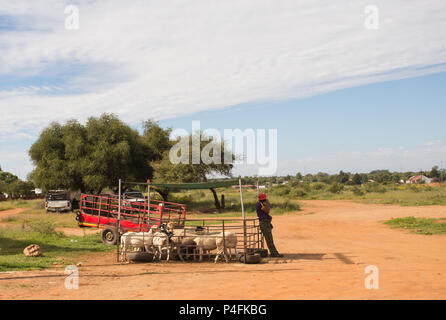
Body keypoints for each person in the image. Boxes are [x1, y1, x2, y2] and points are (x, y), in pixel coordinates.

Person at [256, 193, 283, 258]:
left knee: (269, 238)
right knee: (269, 239)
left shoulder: (260, 203)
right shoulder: (261, 204)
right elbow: (267, 211)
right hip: (264, 222)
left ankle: (273, 252)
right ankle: (274, 253)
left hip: (265, 222)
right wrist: (268, 204)